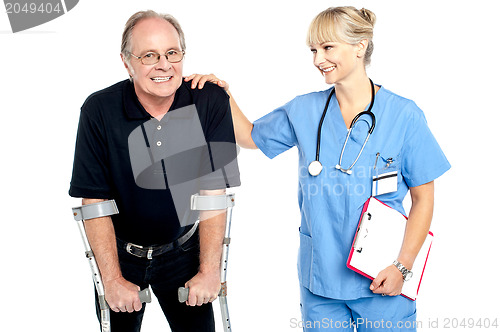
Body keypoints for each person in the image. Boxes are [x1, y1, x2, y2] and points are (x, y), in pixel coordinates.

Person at [188, 6, 450, 331]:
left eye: (327, 48)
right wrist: (222, 94)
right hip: (321, 282)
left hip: (384, 277)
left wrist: (403, 266)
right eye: (313, 50)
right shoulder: (305, 110)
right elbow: (252, 136)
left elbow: (424, 198)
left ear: (360, 46)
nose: (317, 59)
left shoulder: (404, 116)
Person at [69, 10, 239, 332]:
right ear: (126, 62)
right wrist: (112, 279)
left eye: (172, 53)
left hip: (185, 249)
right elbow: (94, 202)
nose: (164, 65)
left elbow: (214, 193)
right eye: (149, 55)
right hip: (121, 253)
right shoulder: (99, 110)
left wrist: (209, 271)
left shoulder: (209, 100)